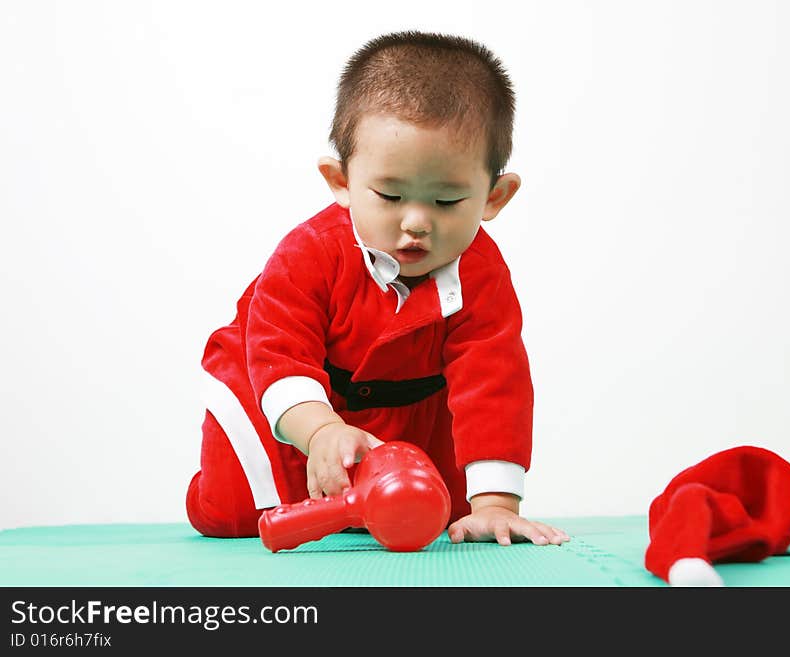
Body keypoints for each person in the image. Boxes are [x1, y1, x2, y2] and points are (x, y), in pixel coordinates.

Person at [186, 30, 570, 548]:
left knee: (442, 516)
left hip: (410, 405)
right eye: (389, 195)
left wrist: (496, 505)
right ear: (340, 180)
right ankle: (232, 483)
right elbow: (281, 352)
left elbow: (492, 380)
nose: (416, 223)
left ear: (494, 196)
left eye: (448, 201)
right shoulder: (309, 253)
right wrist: (320, 431)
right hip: (283, 388)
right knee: (231, 513)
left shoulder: (482, 273)